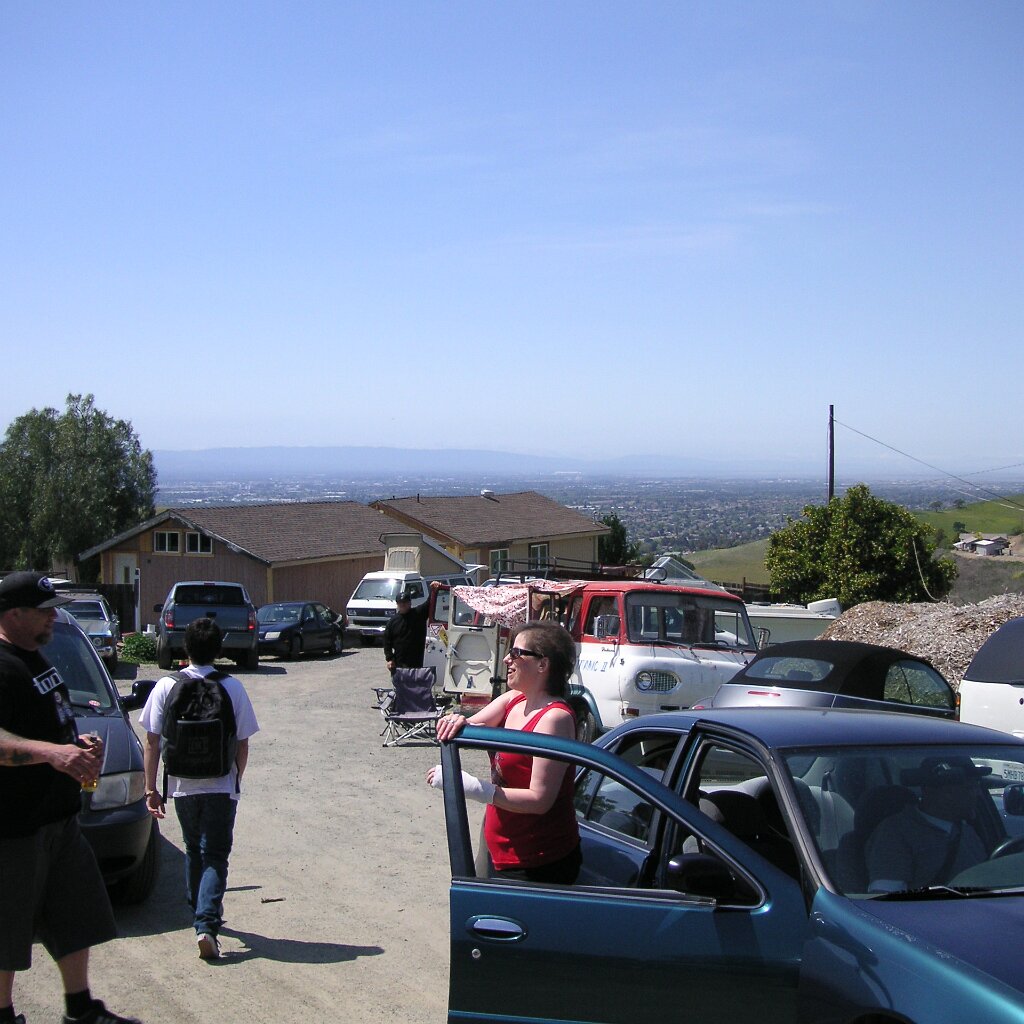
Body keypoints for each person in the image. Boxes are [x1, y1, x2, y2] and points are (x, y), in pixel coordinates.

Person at [0, 571, 142, 1024]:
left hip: (60, 819)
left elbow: (46, 721)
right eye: (43, 611)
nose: (53, 617)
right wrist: (53, 754)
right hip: (14, 828)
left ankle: (81, 1010)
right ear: (13, 614)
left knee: (75, 916)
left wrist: (77, 745)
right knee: (7, 930)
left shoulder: (36, 658)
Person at [426, 620, 581, 884]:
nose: (507, 659)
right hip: (498, 843)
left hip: (535, 861)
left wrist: (471, 787)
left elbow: (540, 800)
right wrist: (456, 719)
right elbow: (470, 728)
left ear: (543, 664)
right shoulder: (514, 699)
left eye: (517, 653)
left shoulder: (554, 719)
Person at [140, 617, 259, 960]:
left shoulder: (166, 686)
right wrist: (235, 779)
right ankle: (206, 924)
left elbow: (151, 741)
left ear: (185, 647)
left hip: (182, 784)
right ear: (219, 650)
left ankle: (199, 912)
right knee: (216, 855)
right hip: (221, 784)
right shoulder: (232, 687)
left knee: (194, 848)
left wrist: (151, 789)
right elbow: (243, 743)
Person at [865, 756, 991, 893]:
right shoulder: (894, 835)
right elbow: (887, 898)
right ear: (934, 791)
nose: (978, 794)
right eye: (969, 788)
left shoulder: (967, 830)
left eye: (976, 786)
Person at [383, 587, 431, 672]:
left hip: (418, 662)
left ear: (410, 603)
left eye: (405, 602)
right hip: (400, 663)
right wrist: (389, 659)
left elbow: (430, 603)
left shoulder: (418, 614)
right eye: (400, 602)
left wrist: (434, 589)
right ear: (397, 604)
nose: (402, 604)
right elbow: (387, 642)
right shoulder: (392, 622)